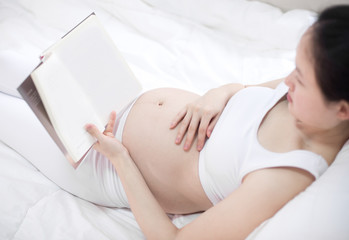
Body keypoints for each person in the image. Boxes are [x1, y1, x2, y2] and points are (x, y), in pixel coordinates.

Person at [82, 5, 349, 239]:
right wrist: (217, 94)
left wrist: (120, 159)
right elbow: (243, 88)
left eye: (300, 79)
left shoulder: (287, 173)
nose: (287, 80)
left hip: (104, 165)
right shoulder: (308, 99)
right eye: (295, 66)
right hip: (122, 100)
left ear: (342, 111)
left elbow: (173, 238)